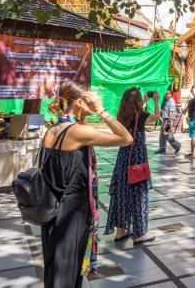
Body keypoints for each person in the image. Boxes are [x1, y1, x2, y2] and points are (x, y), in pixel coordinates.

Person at [40, 81, 131, 287]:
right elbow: (126, 138)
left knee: (58, 265)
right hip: (71, 209)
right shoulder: (76, 132)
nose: (96, 98)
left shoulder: (56, 127)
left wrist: (85, 114)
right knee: (67, 269)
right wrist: (101, 110)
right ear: (79, 102)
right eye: (91, 96)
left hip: (55, 205)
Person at [106, 88, 159, 246]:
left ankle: (120, 232)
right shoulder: (141, 116)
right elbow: (157, 116)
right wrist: (155, 100)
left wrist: (143, 100)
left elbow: (134, 110)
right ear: (136, 102)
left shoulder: (121, 117)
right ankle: (139, 234)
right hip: (137, 161)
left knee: (121, 194)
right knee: (138, 196)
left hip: (123, 160)